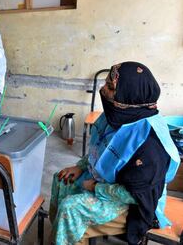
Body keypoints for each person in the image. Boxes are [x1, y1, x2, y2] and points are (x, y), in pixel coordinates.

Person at [49, 62, 180, 245]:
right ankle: (62, 235)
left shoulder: (149, 146)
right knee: (61, 179)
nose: (103, 90)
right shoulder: (119, 115)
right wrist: (81, 166)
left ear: (128, 98)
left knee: (70, 209)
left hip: (133, 201)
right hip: (108, 180)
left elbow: (138, 195)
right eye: (106, 83)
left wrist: (95, 187)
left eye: (110, 87)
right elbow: (103, 152)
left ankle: (69, 232)